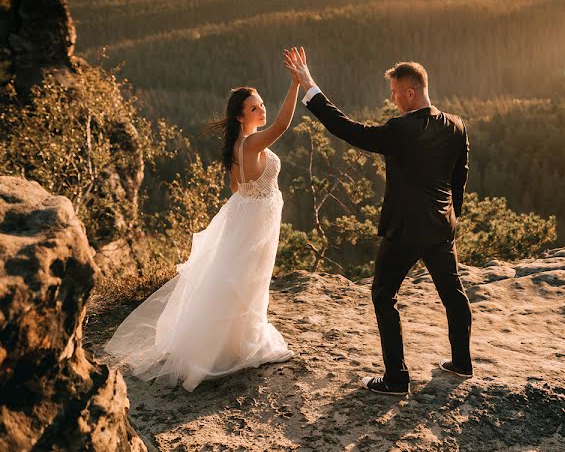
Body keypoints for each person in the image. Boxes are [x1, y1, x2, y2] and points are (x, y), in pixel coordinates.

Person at [104, 47, 307, 392]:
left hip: (250, 216)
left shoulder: (238, 146)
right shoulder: (252, 143)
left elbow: (236, 186)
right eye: (254, 107)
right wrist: (296, 83)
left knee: (242, 280)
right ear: (242, 117)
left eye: (260, 103)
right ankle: (238, 347)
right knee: (248, 280)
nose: (261, 108)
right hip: (256, 220)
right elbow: (283, 124)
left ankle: (233, 343)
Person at [292, 47, 472, 396]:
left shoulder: (400, 129)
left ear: (410, 92)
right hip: (439, 228)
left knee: (383, 296)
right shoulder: (456, 126)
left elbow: (348, 129)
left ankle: (396, 378)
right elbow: (458, 181)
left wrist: (310, 86)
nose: (392, 100)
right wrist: (449, 220)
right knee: (452, 292)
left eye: (394, 92)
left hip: (404, 230)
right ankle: (462, 362)